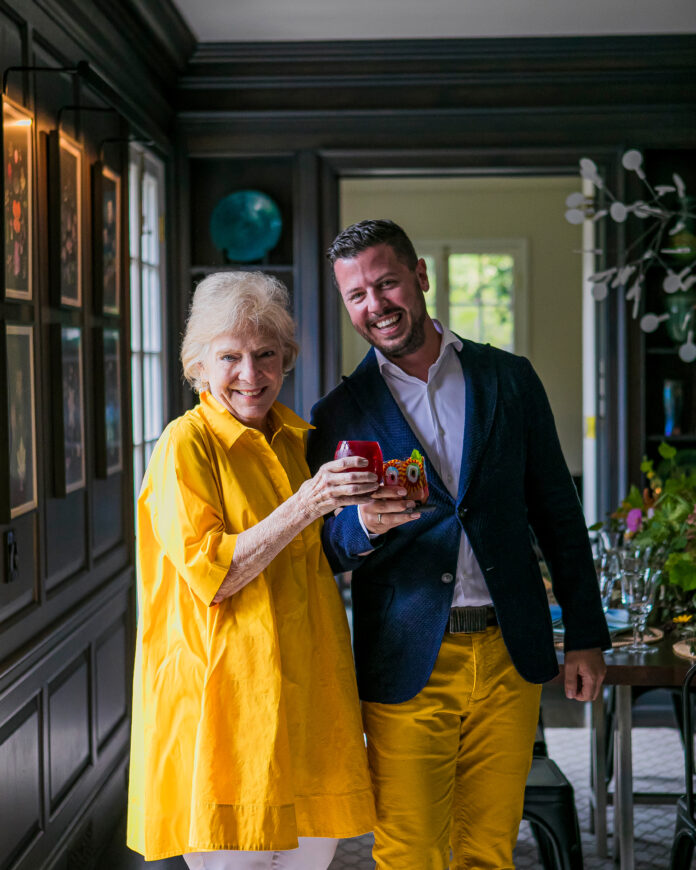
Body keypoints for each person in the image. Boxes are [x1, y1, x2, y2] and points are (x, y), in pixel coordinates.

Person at [306, 219, 611, 870]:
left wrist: (585, 632)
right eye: (356, 295)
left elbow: (558, 510)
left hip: (510, 651)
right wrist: (364, 526)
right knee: (411, 851)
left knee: (490, 850)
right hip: (407, 656)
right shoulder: (339, 412)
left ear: (420, 277)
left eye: (386, 283)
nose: (375, 305)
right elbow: (327, 545)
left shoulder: (509, 379)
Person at [127, 271, 377, 870]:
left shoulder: (296, 441)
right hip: (226, 714)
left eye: (267, 354)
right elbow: (216, 574)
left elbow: (318, 556)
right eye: (230, 357)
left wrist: (370, 522)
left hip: (308, 700)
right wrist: (309, 503)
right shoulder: (182, 447)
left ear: (286, 359)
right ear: (197, 367)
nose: (251, 373)